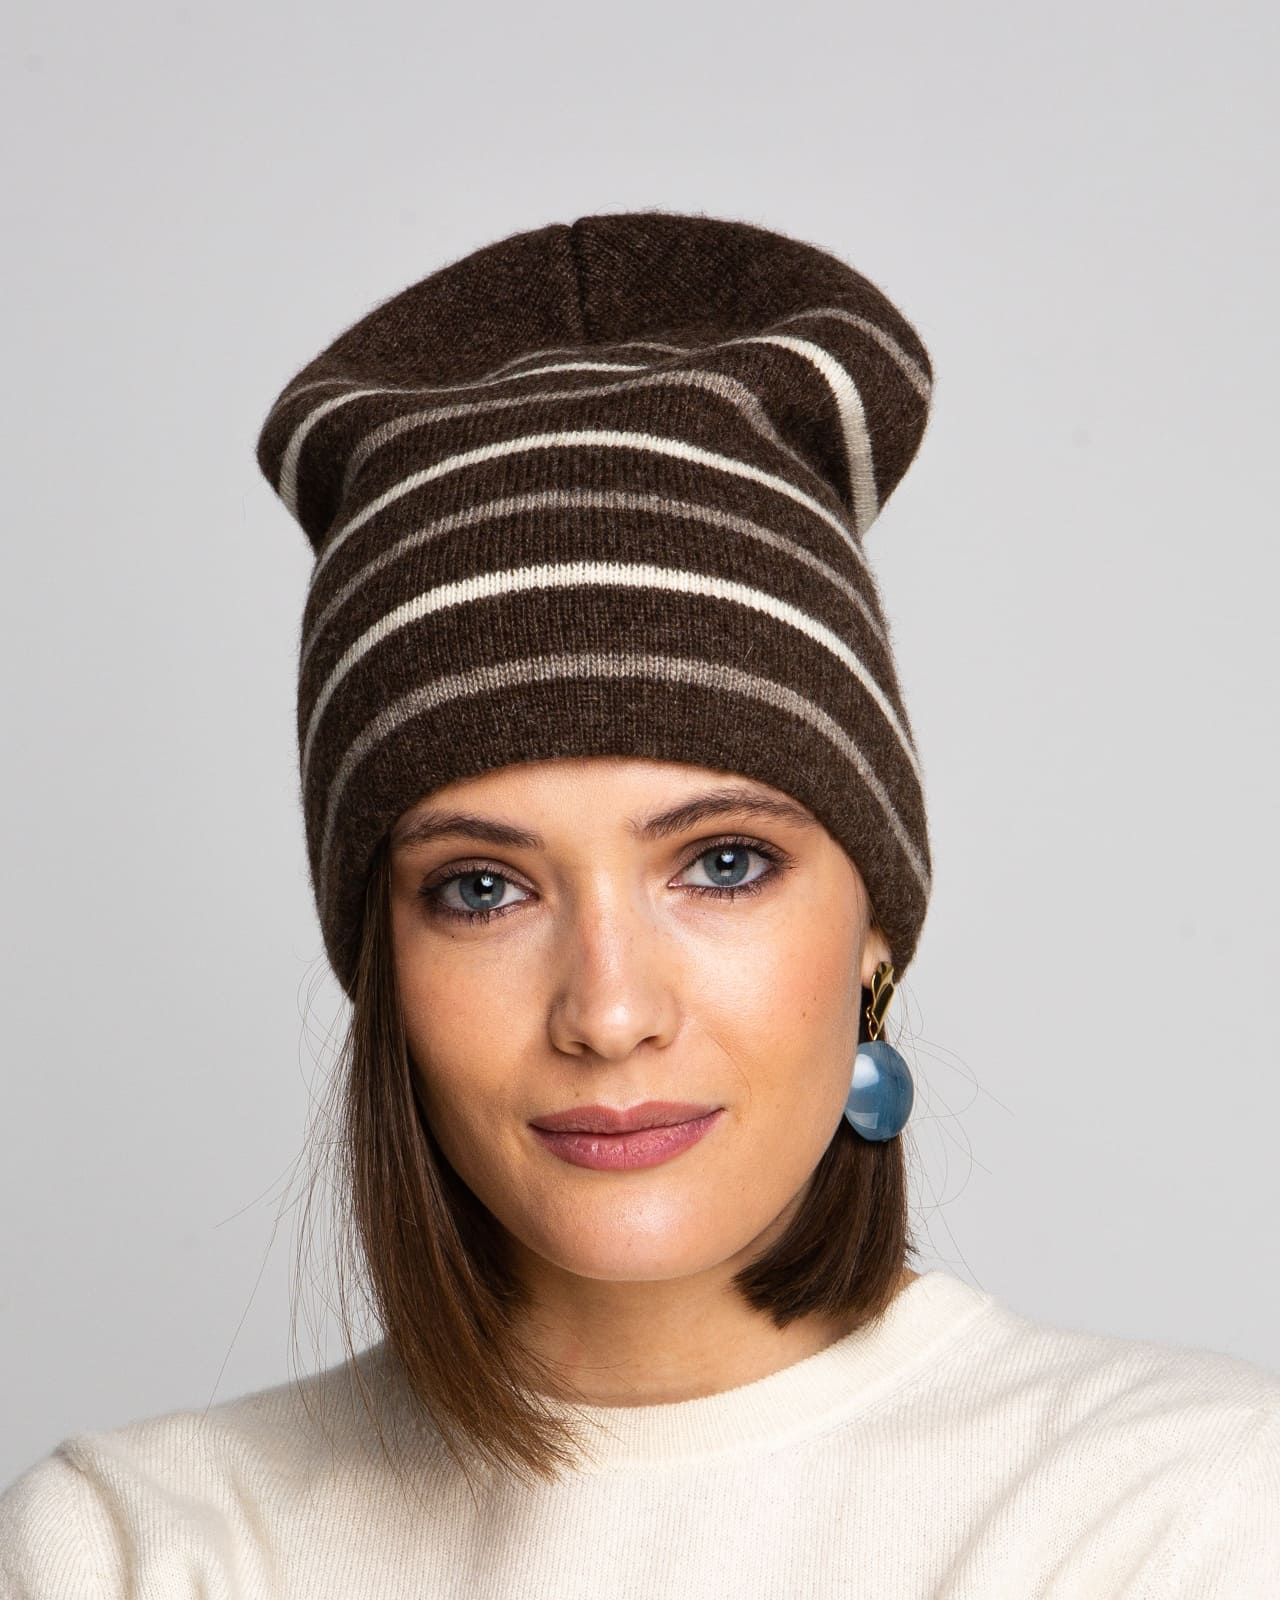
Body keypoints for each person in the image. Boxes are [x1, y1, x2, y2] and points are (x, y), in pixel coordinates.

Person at [2, 210, 1277, 1598]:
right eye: (481, 889)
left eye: (722, 863)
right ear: (384, 967)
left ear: (875, 927)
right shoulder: (133, 1549)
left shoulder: (1184, 1516)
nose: (609, 1013)